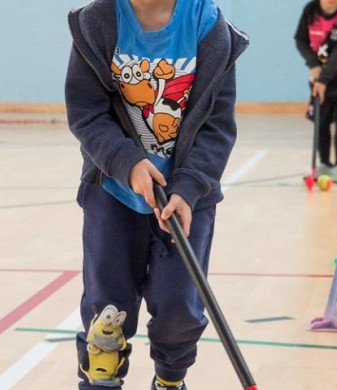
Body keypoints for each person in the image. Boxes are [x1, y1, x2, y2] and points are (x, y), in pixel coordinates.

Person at [65, 0, 249, 389]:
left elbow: (217, 126)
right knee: (107, 310)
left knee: (180, 309)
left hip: (186, 199)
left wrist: (189, 186)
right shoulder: (97, 22)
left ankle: (169, 379)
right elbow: (87, 113)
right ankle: (102, 378)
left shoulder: (208, 27)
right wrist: (126, 162)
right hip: (113, 191)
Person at [295, 0, 337, 185]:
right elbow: (300, 40)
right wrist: (313, 65)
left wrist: (324, 79)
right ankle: (324, 164)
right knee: (321, 121)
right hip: (317, 78)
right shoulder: (310, 9)